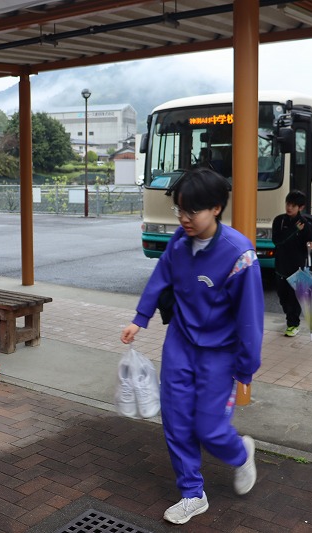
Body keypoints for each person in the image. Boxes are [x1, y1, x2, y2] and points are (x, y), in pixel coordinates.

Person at [120, 168, 264, 525]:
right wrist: (140, 318)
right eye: (179, 209)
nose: (183, 218)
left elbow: (250, 318)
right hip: (180, 345)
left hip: (220, 354)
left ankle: (240, 454)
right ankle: (192, 493)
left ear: (216, 208)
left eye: (191, 211)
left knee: (210, 428)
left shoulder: (240, 255)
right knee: (176, 421)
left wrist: (246, 367)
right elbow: (160, 277)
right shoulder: (179, 242)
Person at [271, 190, 312, 337]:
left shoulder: (306, 224)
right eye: (288, 204)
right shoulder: (279, 221)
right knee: (282, 297)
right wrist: (294, 229)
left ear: (300, 207)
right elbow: (277, 241)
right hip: (281, 266)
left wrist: (311, 246)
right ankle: (289, 317)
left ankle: (293, 324)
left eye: (293, 205)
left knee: (294, 297)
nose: (289, 208)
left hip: (298, 267)